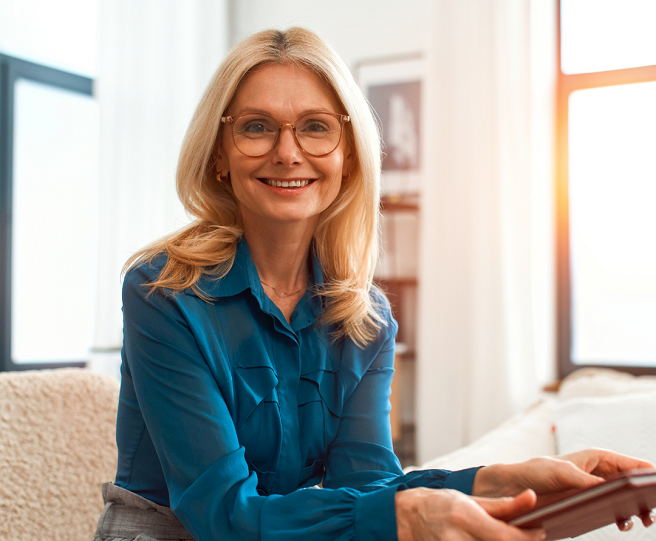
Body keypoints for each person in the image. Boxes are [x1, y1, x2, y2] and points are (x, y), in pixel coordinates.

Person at [93, 27, 654, 541]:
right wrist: (403, 518)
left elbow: (367, 486)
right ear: (220, 154)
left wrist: (503, 479)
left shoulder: (365, 319)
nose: (287, 152)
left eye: (315, 127)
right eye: (256, 126)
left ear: (348, 155)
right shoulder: (162, 292)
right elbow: (223, 515)